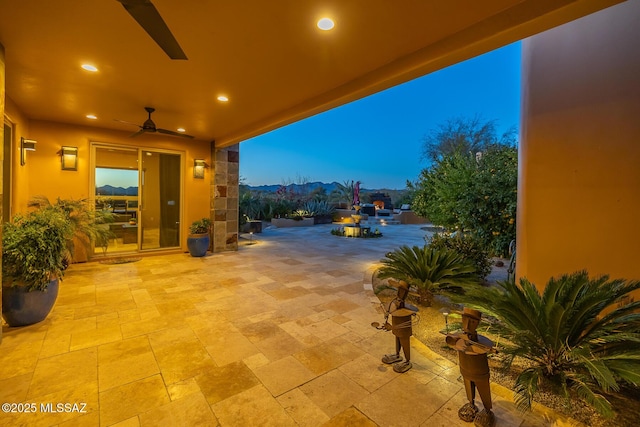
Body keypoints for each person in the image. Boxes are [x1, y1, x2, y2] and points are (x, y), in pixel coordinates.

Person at [445, 307, 497, 427]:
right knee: (468, 386)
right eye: (465, 319)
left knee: (484, 391)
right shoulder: (459, 336)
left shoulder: (482, 343)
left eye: (472, 322)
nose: (467, 324)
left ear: (478, 323)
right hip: (465, 368)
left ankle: (487, 411)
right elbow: (452, 341)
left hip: (480, 371)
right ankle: (471, 403)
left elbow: (483, 348)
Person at [380, 279, 418, 373]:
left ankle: (407, 361)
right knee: (397, 337)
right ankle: (397, 355)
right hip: (396, 323)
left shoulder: (406, 307)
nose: (399, 292)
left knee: (404, 342)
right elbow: (389, 308)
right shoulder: (396, 301)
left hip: (403, 328)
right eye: (399, 289)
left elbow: (413, 314)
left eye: (401, 290)